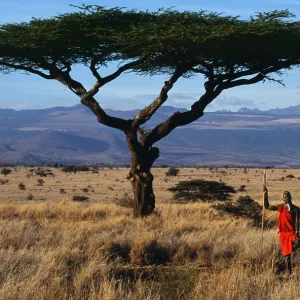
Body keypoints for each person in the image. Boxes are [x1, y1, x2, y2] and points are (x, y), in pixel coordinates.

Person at [264, 187, 300, 275]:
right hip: (283, 234)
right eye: (284, 197)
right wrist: (265, 195)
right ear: (283, 199)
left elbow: (297, 221)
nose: (286, 198)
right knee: (287, 257)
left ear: (290, 198)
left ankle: (286, 252)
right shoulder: (281, 207)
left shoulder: (296, 209)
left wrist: (297, 232)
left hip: (292, 232)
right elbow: (267, 207)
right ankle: (289, 273)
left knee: (298, 241)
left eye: (288, 196)